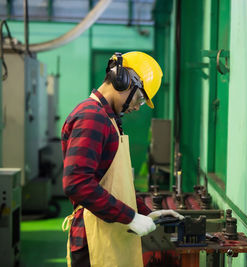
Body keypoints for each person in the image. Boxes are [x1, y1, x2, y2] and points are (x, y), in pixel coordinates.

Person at [61, 51, 183, 267]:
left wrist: (146, 213)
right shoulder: (91, 117)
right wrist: (131, 217)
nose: (137, 107)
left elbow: (113, 185)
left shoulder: (108, 119)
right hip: (94, 241)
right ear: (123, 81)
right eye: (139, 99)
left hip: (109, 234)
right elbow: (77, 183)